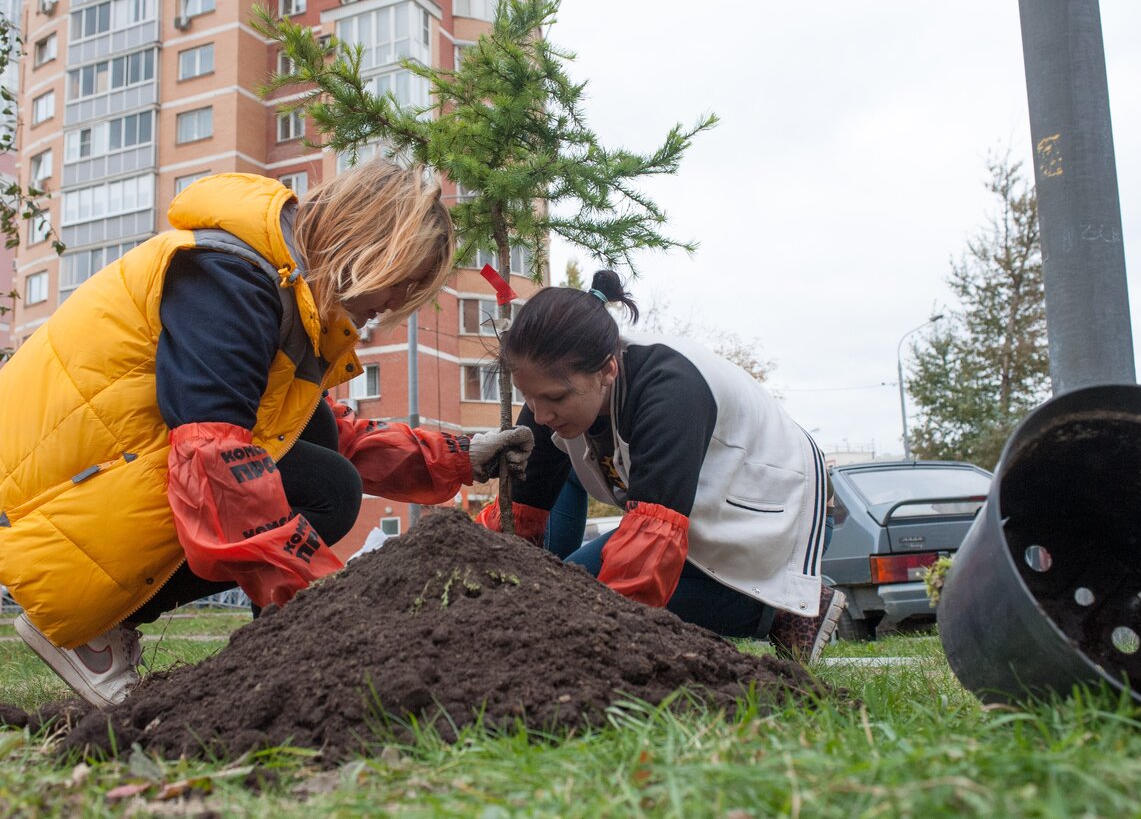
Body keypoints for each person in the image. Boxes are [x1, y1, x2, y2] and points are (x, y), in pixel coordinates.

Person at [0, 160, 531, 708]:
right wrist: (328, 609)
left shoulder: (280, 287)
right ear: (370, 244)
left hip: (83, 486)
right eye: (406, 277)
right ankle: (94, 631)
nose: (396, 302)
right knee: (328, 488)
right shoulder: (232, 278)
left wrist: (461, 458)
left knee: (319, 437)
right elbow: (214, 457)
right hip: (38, 509)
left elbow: (322, 433)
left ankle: (258, 645)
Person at [475, 270, 844, 663]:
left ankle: (782, 609)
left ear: (607, 370)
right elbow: (518, 516)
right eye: (529, 398)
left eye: (555, 399)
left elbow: (650, 548)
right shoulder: (549, 395)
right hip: (690, 503)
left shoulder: (670, 390)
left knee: (587, 599)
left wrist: (599, 640)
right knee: (564, 588)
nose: (540, 412)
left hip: (777, 510)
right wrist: (500, 595)